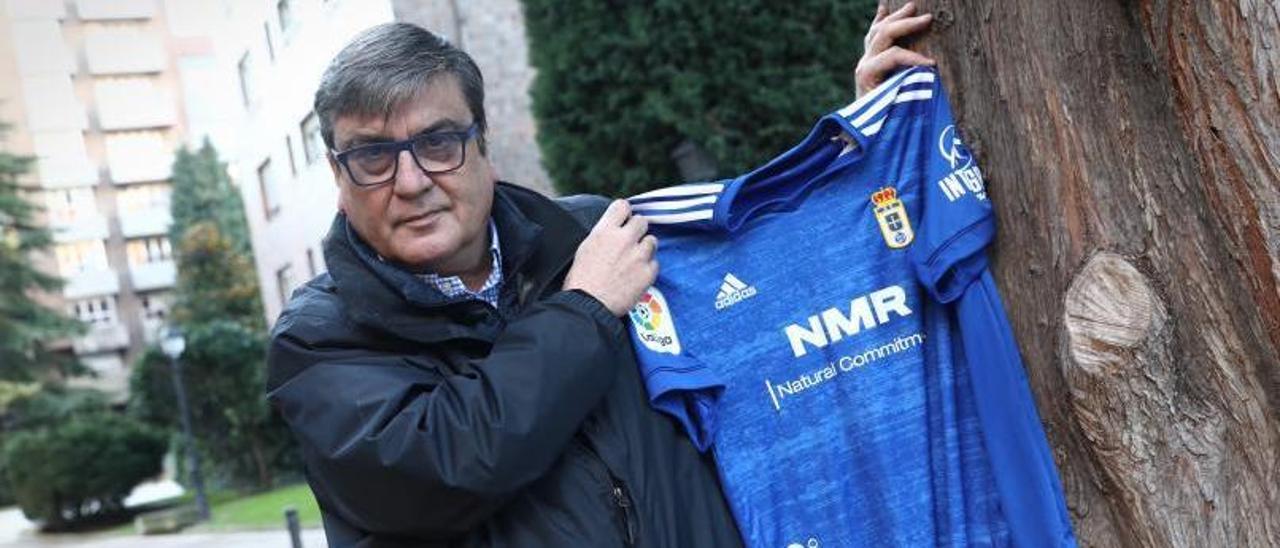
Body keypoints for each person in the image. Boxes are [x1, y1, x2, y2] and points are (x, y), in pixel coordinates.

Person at [266, 4, 933, 547]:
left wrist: (867, 143)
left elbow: (766, 291)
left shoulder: (591, 235)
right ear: (337, 173)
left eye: (438, 142)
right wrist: (585, 309)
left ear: (483, 146)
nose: (410, 182)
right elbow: (446, 463)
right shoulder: (319, 340)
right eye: (373, 156)